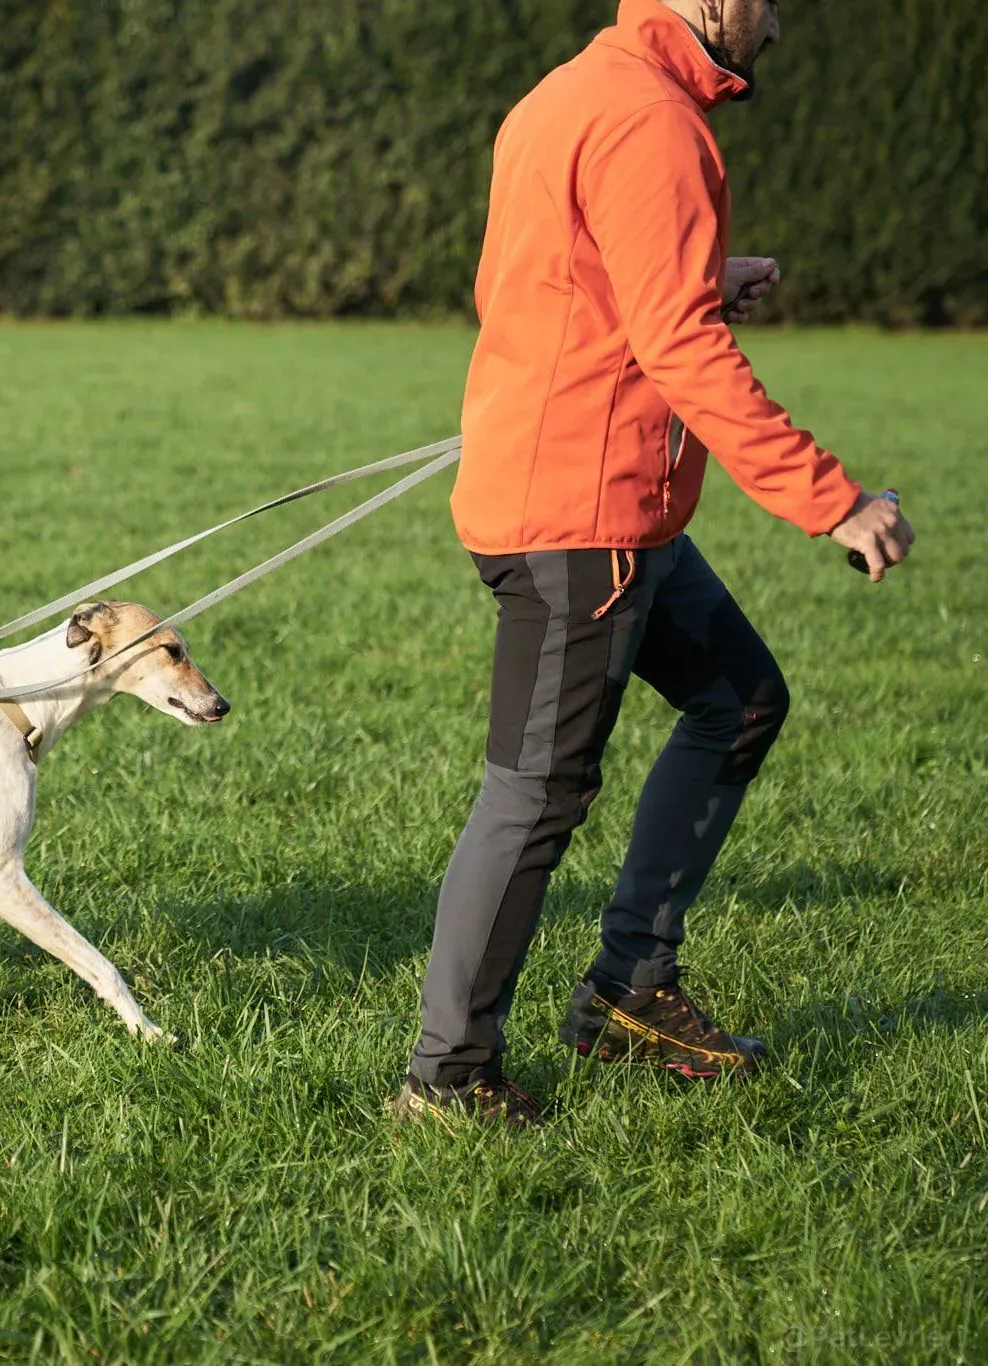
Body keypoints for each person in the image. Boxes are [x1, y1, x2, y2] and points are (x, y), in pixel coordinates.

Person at [393, 0, 916, 1126]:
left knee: (736, 699)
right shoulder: (648, 118)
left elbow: (555, 279)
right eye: (771, 5)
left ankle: (627, 991)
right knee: (533, 795)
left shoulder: (573, 87)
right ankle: (444, 1077)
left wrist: (694, 271)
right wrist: (828, 500)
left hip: (599, 509)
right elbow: (678, 348)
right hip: (575, 520)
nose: (777, 30)